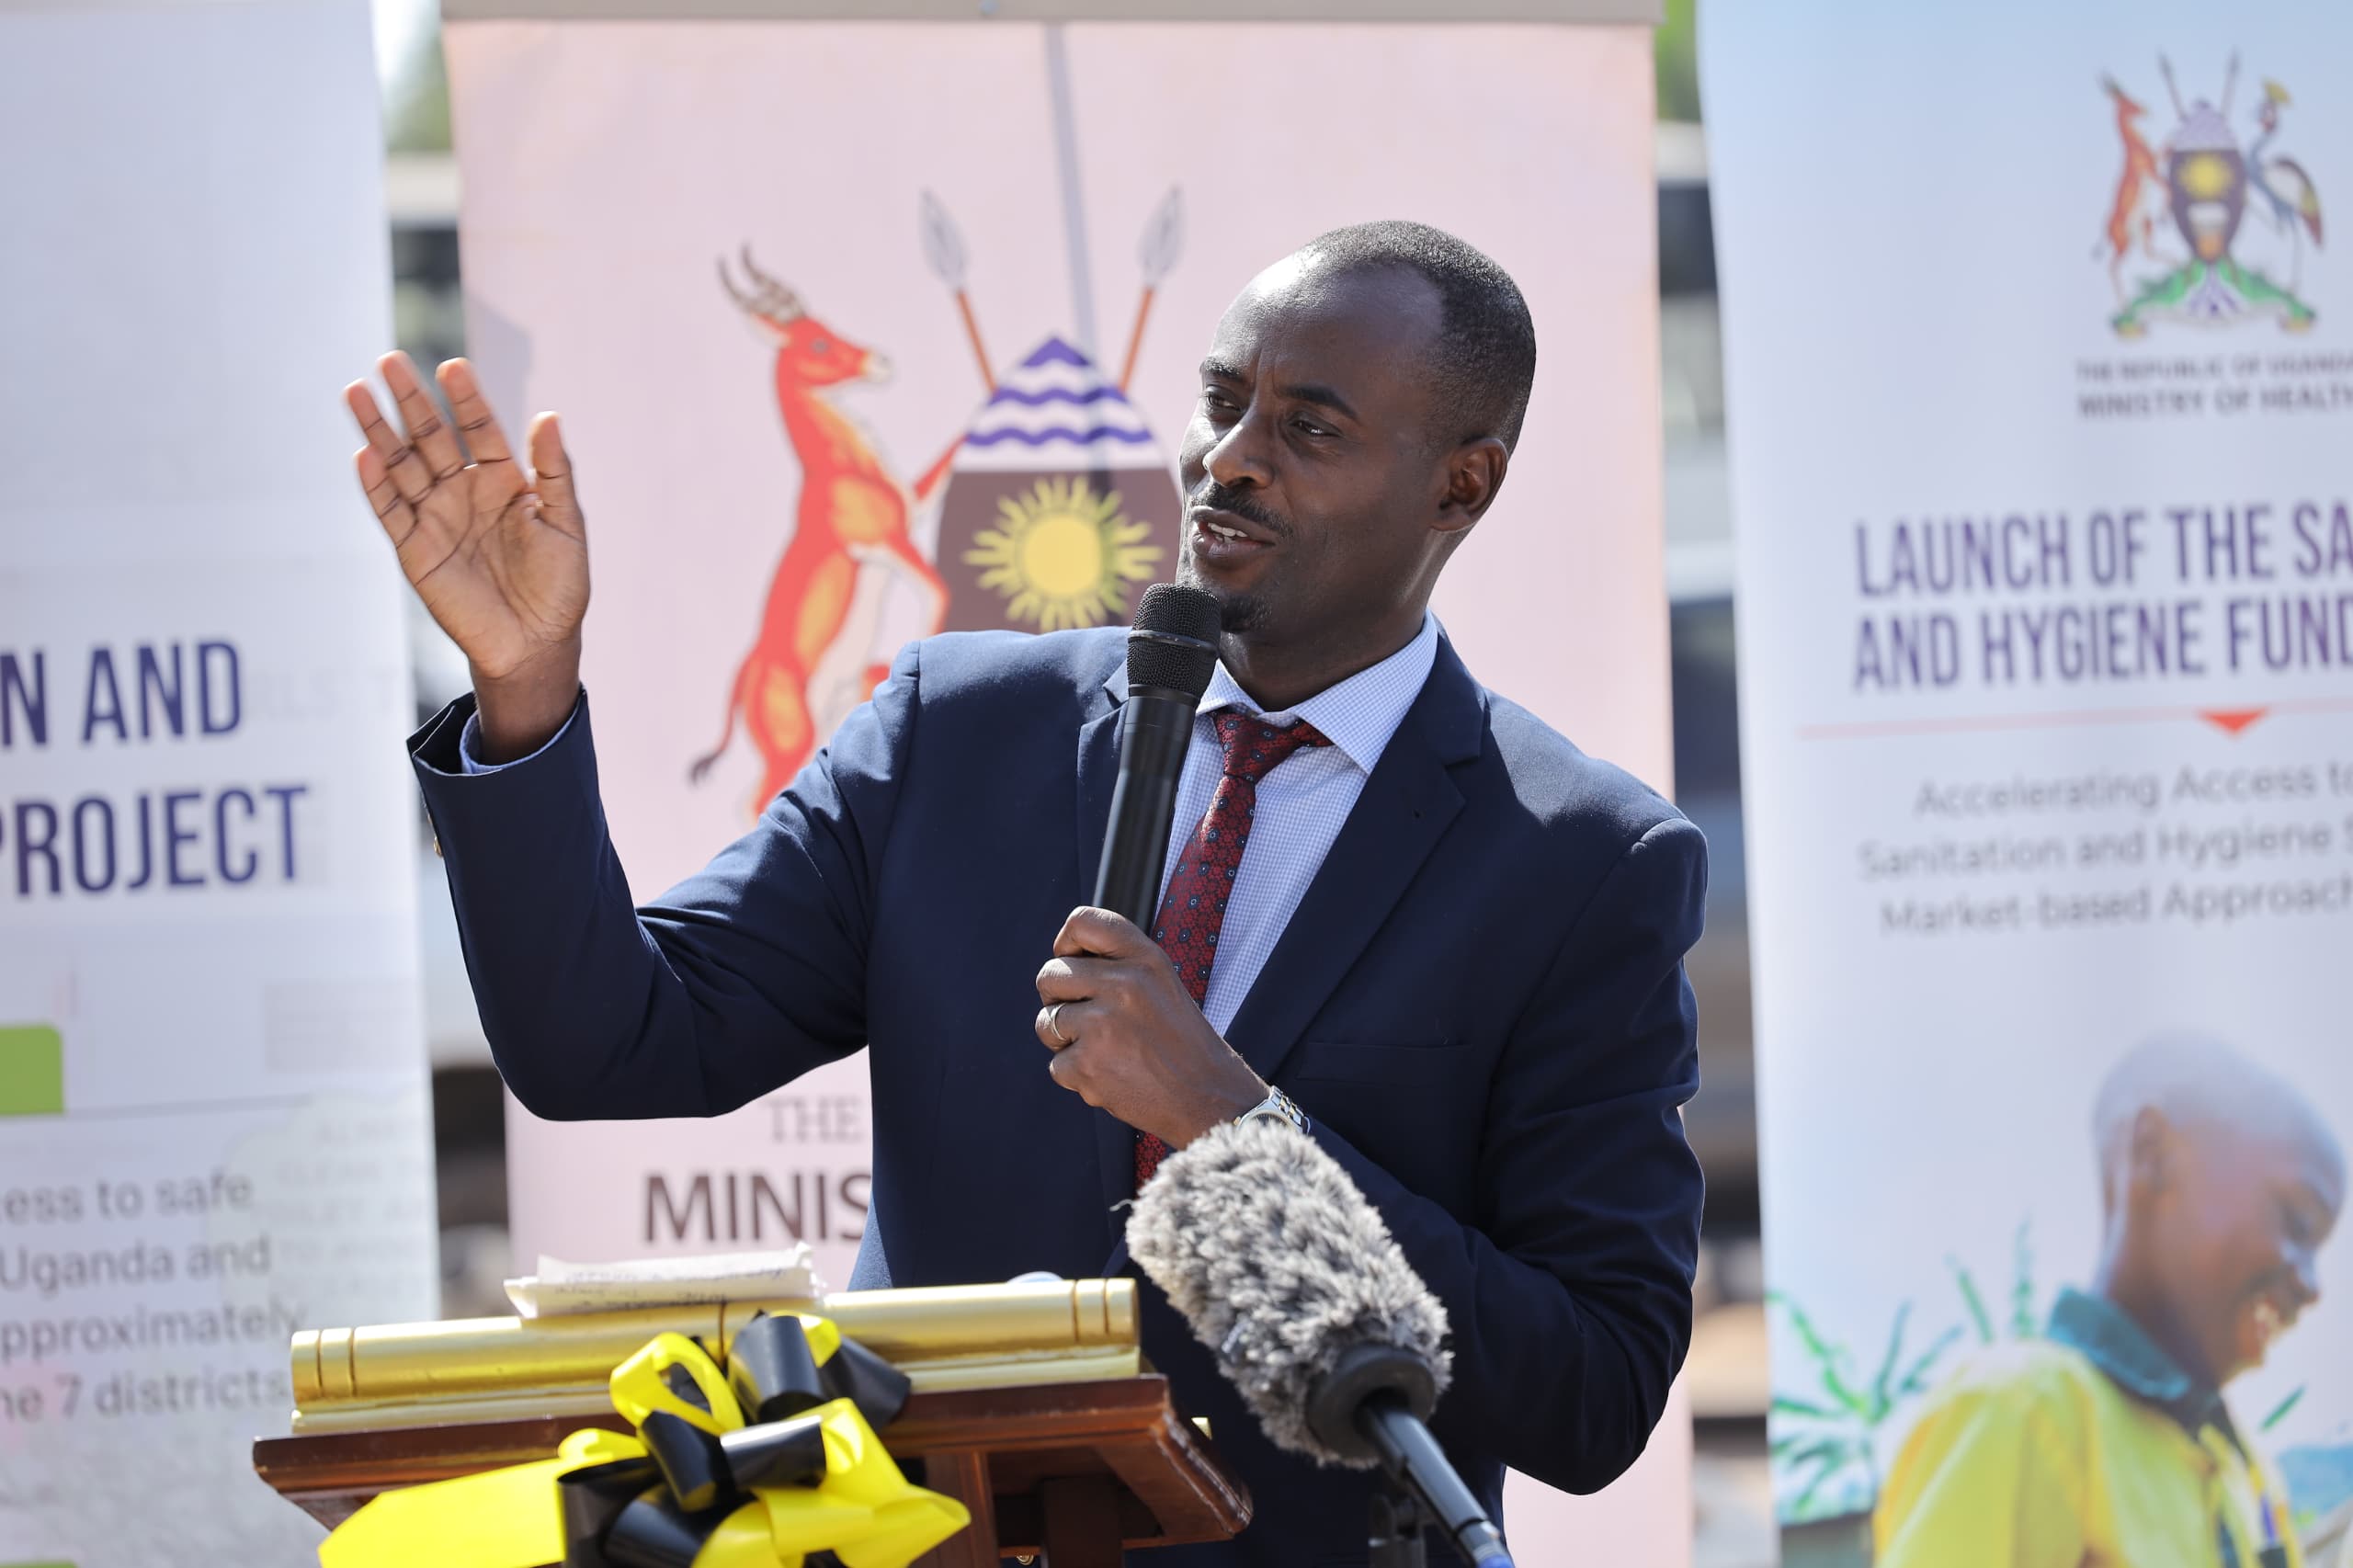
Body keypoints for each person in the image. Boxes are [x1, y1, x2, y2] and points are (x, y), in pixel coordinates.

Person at [347, 221, 1707, 1563]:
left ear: (1461, 485)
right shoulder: (956, 730)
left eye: (1310, 428)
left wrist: (1234, 1125)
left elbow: (1592, 1388)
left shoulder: (1581, 861)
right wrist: (525, 688)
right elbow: (605, 1041)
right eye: (1222, 400)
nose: (1229, 457)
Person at [1875, 1037, 2346, 1568]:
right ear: (2153, 1154)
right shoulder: (2019, 1412)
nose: (2312, 1286)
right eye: (2297, 1224)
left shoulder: (2248, 1474)